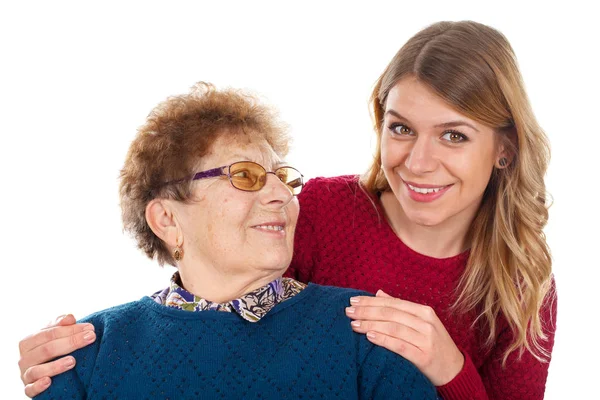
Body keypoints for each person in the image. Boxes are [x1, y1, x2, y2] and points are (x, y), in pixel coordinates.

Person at [19, 20, 557, 400]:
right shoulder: (320, 208)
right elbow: (219, 285)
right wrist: (81, 350)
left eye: (454, 135)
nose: (418, 162)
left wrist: (449, 369)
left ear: (504, 149)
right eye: (400, 128)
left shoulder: (523, 282)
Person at [26, 82, 437, 399]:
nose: (281, 194)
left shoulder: (369, 334)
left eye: (282, 178)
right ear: (167, 219)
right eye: (245, 176)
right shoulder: (85, 355)